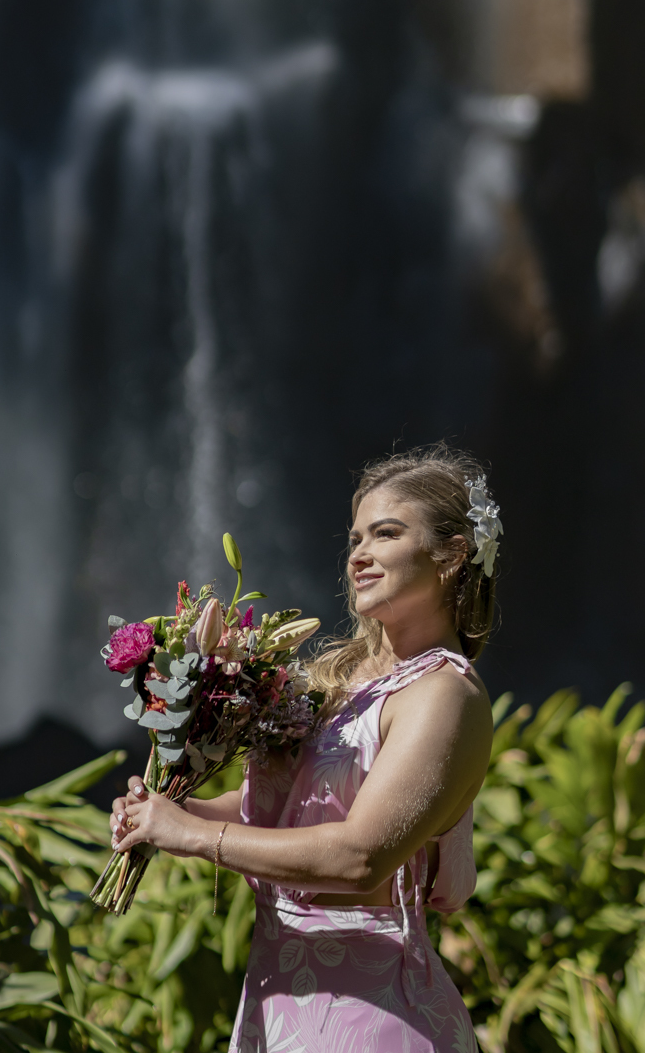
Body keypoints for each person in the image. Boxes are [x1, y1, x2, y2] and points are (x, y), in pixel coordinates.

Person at [110, 446, 501, 1053]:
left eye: (386, 534)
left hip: (374, 1018)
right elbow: (282, 812)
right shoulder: (338, 682)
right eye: (355, 539)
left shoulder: (443, 695)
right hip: (279, 1007)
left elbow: (359, 857)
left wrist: (193, 836)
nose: (359, 555)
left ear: (451, 555)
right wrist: (166, 814)